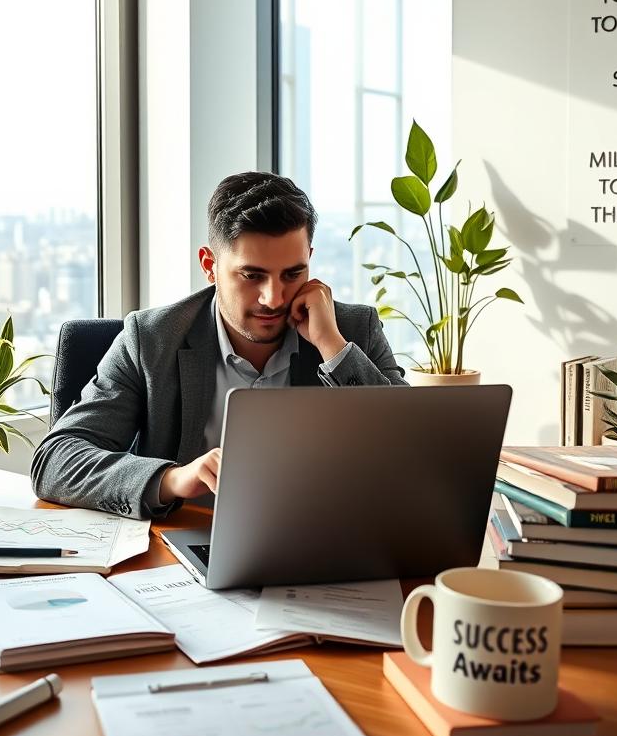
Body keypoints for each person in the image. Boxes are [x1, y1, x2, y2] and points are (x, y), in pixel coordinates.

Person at [31, 172, 407, 518]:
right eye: (251, 275)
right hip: (185, 554)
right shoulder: (150, 339)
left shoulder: (354, 330)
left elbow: (412, 458)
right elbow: (54, 460)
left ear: (310, 258)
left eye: (293, 274)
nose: (273, 298)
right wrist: (174, 479)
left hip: (325, 552)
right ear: (209, 265)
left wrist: (333, 349)